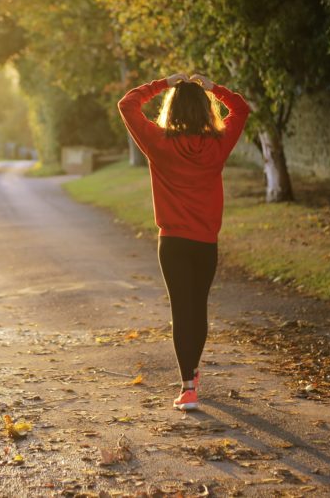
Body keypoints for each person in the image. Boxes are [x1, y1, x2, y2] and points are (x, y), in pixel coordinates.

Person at [118, 72, 251, 411]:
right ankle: (192, 375)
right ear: (206, 110)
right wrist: (213, 88)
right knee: (198, 307)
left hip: (173, 242)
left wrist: (164, 83)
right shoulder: (218, 144)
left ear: (172, 109)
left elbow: (127, 104)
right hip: (205, 242)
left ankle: (188, 386)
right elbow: (241, 108)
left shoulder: (158, 142)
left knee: (182, 310)